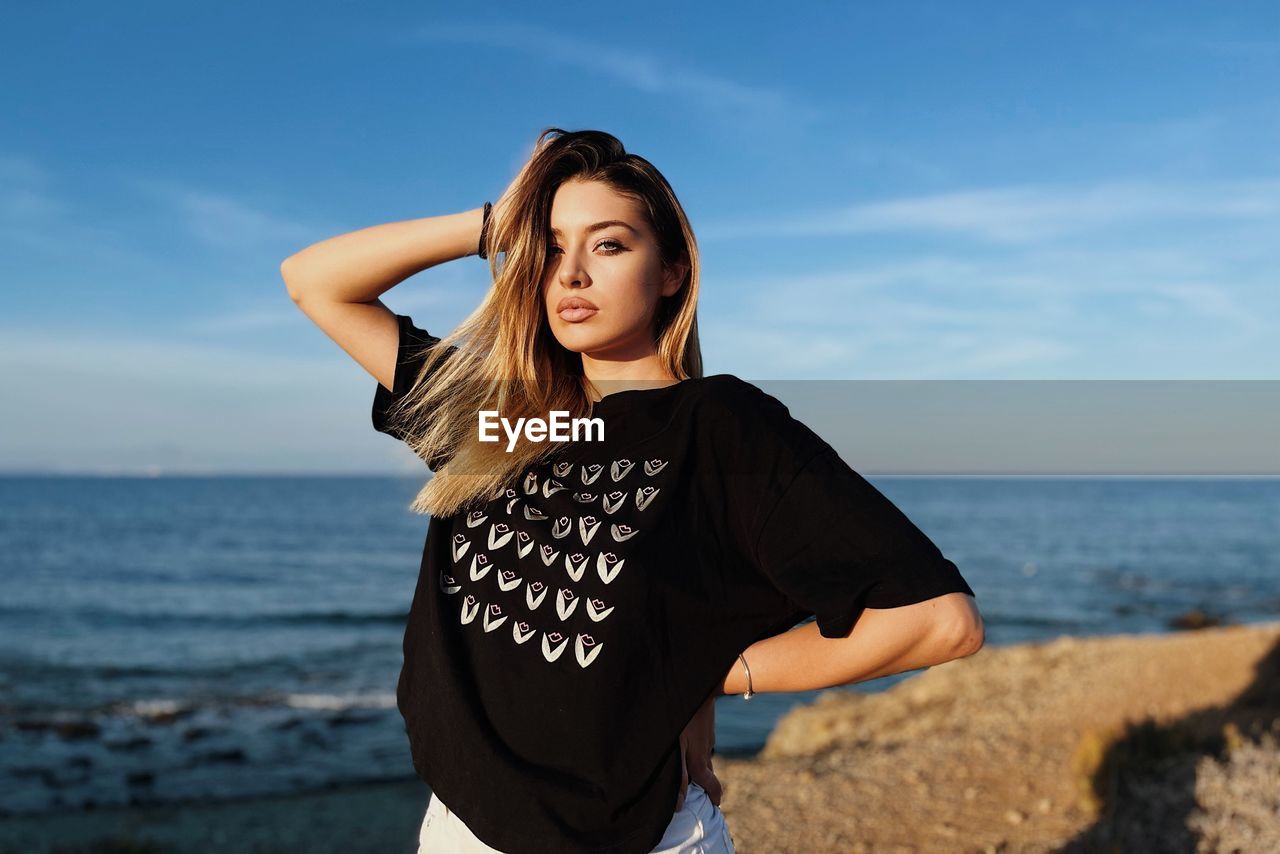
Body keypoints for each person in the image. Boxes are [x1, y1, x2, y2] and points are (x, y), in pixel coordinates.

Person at [281, 128, 983, 854]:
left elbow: (938, 621)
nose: (572, 273)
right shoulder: (495, 413)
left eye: (609, 244)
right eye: (551, 248)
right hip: (458, 831)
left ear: (673, 270)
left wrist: (712, 676)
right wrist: (496, 225)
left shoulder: (719, 430)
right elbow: (315, 280)